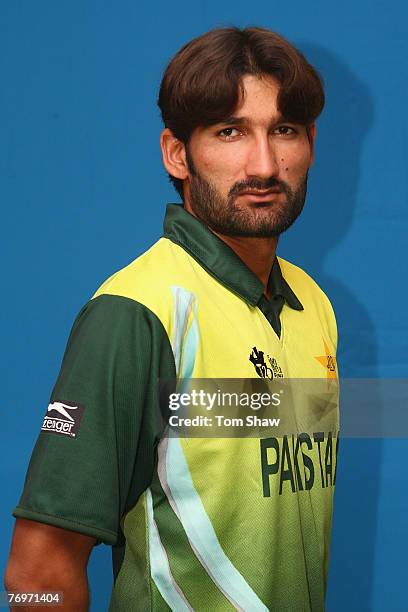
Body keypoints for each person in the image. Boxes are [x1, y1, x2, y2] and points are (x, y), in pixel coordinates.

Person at [5, 26, 339, 611]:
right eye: (229, 132)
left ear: (310, 143)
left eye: (283, 130)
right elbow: (36, 572)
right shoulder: (136, 313)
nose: (263, 164)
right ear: (177, 153)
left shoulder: (315, 306)